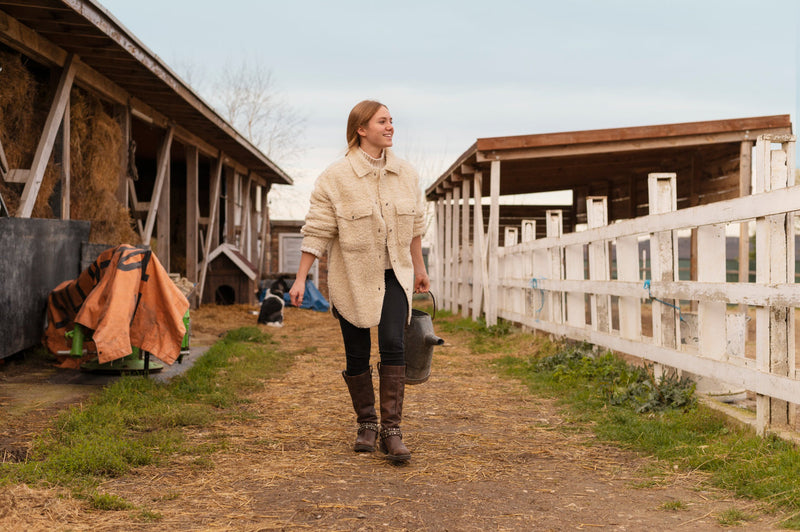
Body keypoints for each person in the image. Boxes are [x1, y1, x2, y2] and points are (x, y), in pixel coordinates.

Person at [289, 100, 430, 463]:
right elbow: (317, 230)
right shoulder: (335, 178)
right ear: (361, 129)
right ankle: (366, 422)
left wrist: (419, 268)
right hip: (351, 276)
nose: (391, 127)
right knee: (356, 353)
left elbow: (415, 228)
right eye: (382, 121)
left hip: (395, 274)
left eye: (392, 121)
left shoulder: (408, 174)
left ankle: (392, 430)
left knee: (392, 342)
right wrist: (301, 279)